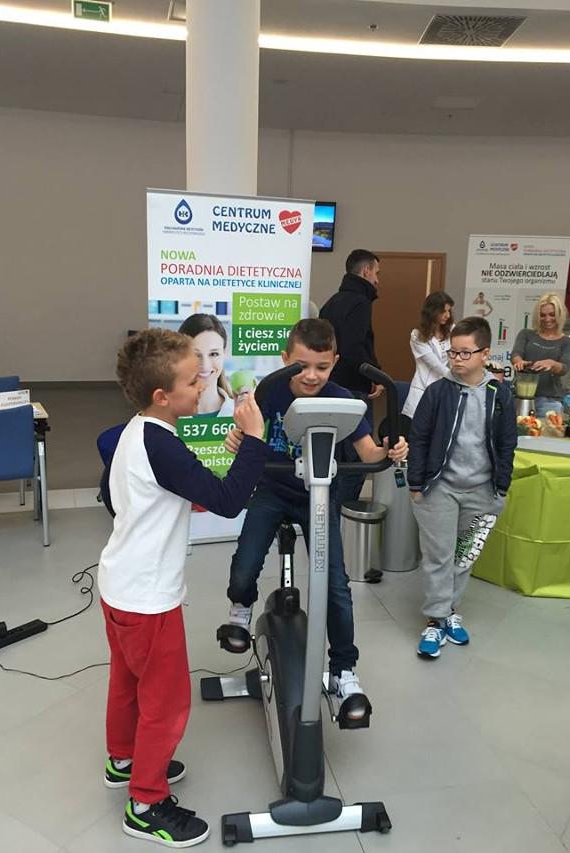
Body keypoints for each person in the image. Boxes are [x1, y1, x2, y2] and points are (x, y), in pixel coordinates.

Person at [98, 328, 267, 848]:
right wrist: (255, 439)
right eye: (193, 381)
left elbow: (133, 493)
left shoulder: (138, 431)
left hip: (119, 585)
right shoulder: (163, 445)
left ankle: (124, 759)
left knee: (127, 682)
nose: (203, 384)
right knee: (166, 702)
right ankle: (146, 803)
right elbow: (229, 502)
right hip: (148, 598)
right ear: (162, 395)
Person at [222, 319, 408, 705]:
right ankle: (241, 606)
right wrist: (237, 438)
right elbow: (246, 435)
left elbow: (368, 452)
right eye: (302, 366)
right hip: (273, 489)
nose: (311, 376)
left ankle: (343, 670)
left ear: (334, 362)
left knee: (336, 586)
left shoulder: (342, 398)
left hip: (319, 496)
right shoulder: (269, 392)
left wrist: (389, 451)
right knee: (244, 565)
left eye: (322, 367)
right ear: (285, 358)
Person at [408, 317, 516, 659]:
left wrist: (501, 487)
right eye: (453, 352)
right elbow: (419, 438)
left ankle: (449, 611)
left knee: (464, 555)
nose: (456, 359)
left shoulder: (500, 394)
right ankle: (435, 619)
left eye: (465, 352)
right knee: (438, 556)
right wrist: (415, 483)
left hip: (482, 491)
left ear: (485, 354)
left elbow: (507, 443)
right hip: (439, 488)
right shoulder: (438, 392)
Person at [319, 249, 384, 505]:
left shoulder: (330, 303)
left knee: (333, 455)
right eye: (376, 273)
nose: (377, 280)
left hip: (330, 387)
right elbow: (355, 347)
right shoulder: (360, 303)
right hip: (354, 389)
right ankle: (341, 512)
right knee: (356, 459)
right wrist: (375, 375)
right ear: (366, 271)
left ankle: (327, 507)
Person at [510, 293, 570, 417]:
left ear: (560, 315)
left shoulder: (567, 342)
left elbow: (564, 368)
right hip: (519, 397)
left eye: (552, 314)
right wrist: (518, 361)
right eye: (542, 315)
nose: (547, 319)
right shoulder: (526, 334)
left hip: (549, 400)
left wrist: (552, 364)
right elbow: (516, 353)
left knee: (547, 429)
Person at [401, 292, 455, 433]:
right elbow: (435, 364)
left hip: (447, 387)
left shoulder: (452, 330)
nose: (447, 315)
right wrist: (457, 378)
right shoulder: (417, 335)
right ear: (432, 311)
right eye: (443, 311)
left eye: (449, 311)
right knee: (422, 430)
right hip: (424, 387)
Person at [178, 313, 234, 416]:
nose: (205, 365)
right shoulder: (164, 415)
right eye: (196, 355)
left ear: (224, 354)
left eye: (214, 354)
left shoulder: (238, 412)